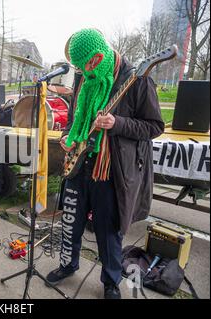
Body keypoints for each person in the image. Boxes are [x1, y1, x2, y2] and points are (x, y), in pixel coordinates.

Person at [45, 29, 164, 299]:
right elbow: (76, 115)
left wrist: (117, 123)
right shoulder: (84, 79)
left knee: (108, 230)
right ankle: (68, 264)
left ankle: (111, 281)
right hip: (79, 164)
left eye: (84, 66)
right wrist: (68, 137)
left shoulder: (137, 81)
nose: (81, 73)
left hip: (110, 170)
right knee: (71, 221)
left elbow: (155, 126)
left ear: (97, 58)